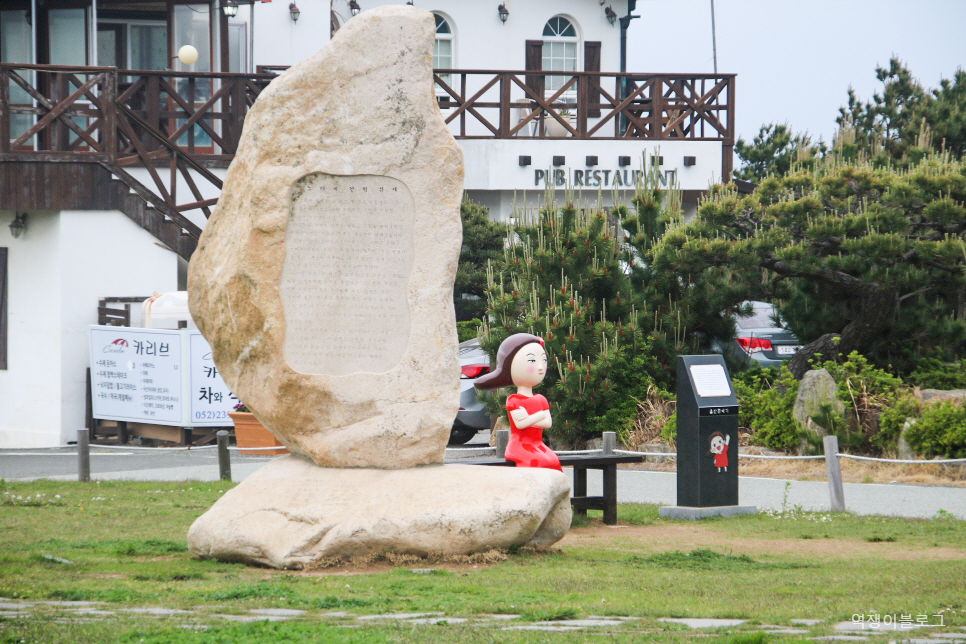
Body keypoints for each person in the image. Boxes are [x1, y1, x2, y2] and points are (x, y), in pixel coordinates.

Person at [475, 333, 562, 471]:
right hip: (519, 446)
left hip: (538, 444)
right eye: (532, 361)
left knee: (553, 460)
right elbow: (521, 424)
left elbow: (547, 423)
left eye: (543, 360)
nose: (541, 367)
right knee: (537, 462)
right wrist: (539, 416)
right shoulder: (514, 400)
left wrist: (531, 417)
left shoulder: (541, 399)